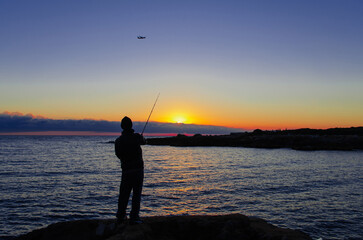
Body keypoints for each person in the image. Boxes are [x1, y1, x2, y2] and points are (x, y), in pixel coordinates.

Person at [115, 116, 146, 224]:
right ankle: (134, 217)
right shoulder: (136, 137)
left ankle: (120, 215)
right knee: (136, 194)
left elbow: (118, 155)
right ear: (131, 125)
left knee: (124, 194)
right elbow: (144, 142)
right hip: (138, 170)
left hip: (126, 171)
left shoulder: (118, 141)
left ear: (122, 126)